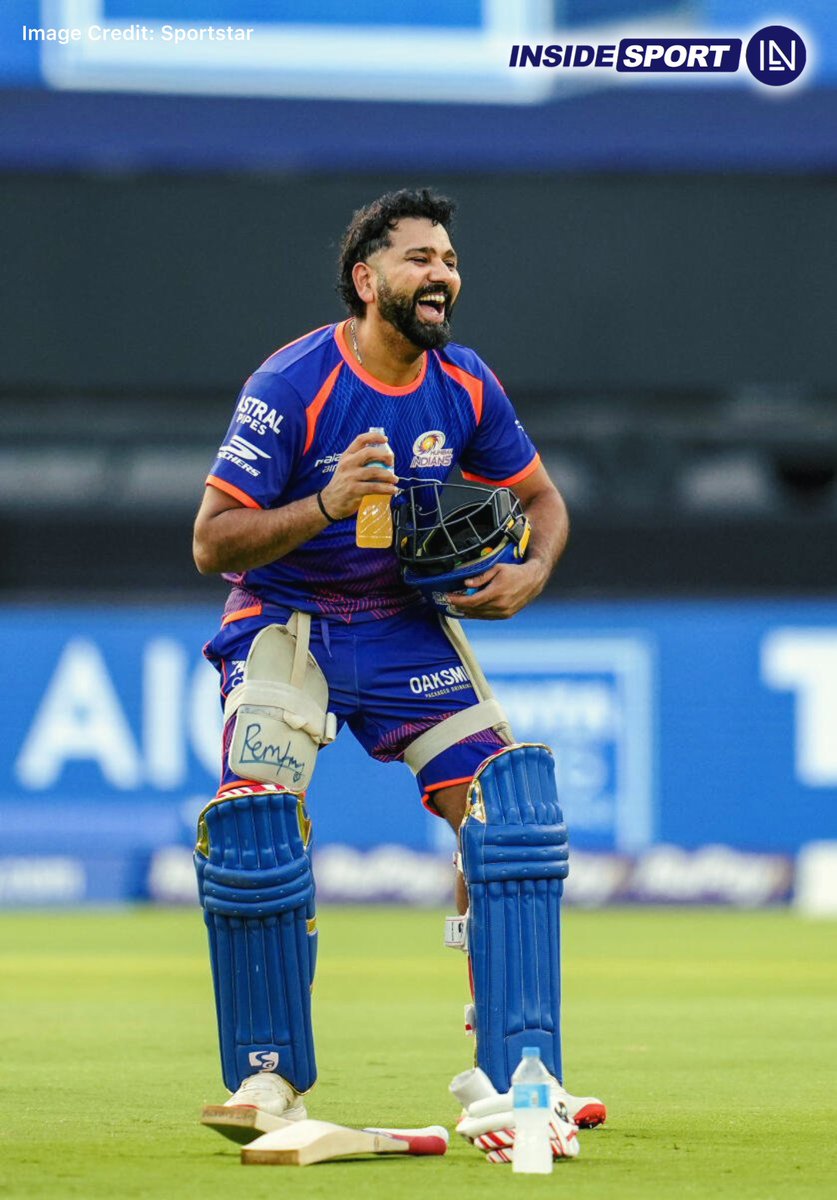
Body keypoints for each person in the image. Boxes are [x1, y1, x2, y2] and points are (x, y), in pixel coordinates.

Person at [192, 188, 605, 1159]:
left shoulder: (463, 385)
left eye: (450, 259)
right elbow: (213, 541)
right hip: (286, 624)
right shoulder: (294, 384)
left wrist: (529, 573)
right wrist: (324, 504)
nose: (443, 274)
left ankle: (512, 1077)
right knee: (256, 818)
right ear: (366, 277)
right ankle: (266, 1076)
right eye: (420, 257)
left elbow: (543, 501)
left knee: (510, 816)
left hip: (404, 627)